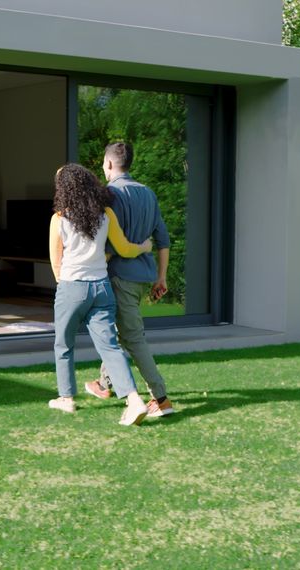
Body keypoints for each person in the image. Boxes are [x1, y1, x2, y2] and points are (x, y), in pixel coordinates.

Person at [48, 163, 153, 426]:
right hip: (102, 289)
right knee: (110, 347)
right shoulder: (105, 214)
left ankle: (66, 398)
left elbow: (56, 263)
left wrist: (67, 289)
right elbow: (124, 249)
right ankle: (134, 400)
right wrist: (144, 247)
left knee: (64, 345)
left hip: (72, 287)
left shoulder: (59, 218)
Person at [85, 142, 176, 417]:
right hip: (141, 278)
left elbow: (109, 245)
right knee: (120, 331)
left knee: (132, 337)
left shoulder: (110, 194)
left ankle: (160, 398)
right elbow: (163, 240)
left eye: (103, 164)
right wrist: (161, 277)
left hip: (119, 277)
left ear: (109, 164)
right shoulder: (148, 193)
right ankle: (104, 383)